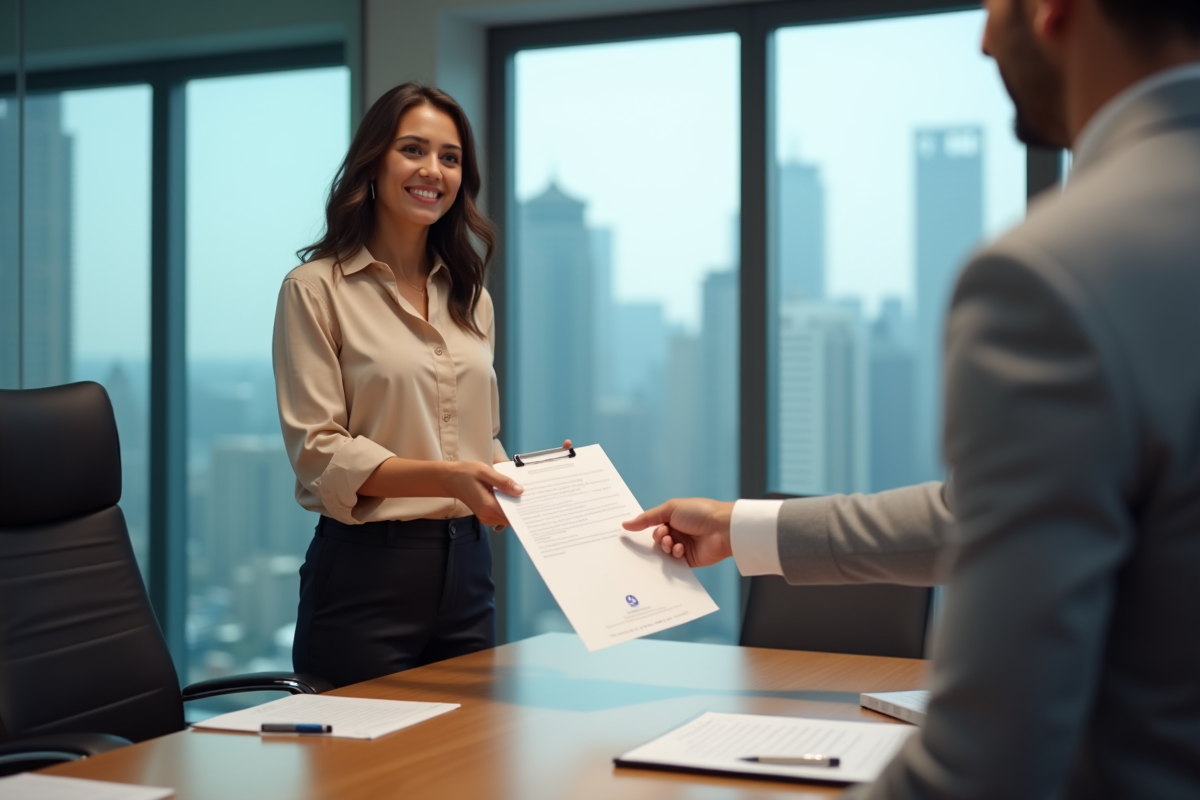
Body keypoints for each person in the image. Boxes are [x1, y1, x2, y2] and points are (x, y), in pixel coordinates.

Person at [624, 1, 1200, 797]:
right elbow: (983, 516)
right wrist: (736, 524)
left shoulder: (1058, 270)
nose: (984, 35)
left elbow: (986, 762)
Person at [274, 83, 565, 688]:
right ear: (374, 162)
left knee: (463, 771)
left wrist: (536, 478)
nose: (433, 170)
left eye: (451, 157)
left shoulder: (470, 299)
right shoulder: (314, 289)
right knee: (367, 779)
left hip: (468, 571)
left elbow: (479, 440)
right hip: (364, 577)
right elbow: (320, 454)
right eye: (413, 149)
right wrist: (449, 476)